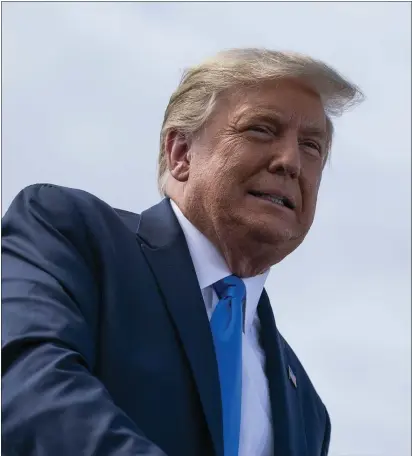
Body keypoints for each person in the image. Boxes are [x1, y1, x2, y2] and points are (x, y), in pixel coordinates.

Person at [2, 48, 363, 456]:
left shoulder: (308, 410)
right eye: (262, 129)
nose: (290, 162)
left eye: (311, 146)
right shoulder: (68, 235)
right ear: (181, 154)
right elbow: (28, 391)